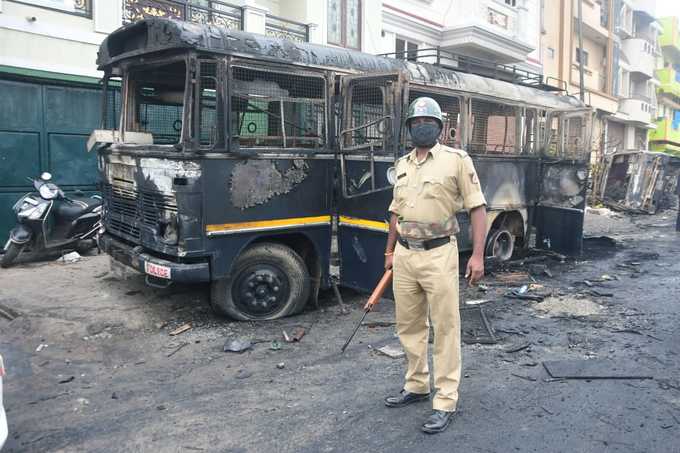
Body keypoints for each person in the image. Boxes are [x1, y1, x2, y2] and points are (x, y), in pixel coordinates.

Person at [383, 97, 487, 434]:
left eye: (428, 122)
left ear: (439, 127)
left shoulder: (457, 161)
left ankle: (445, 399)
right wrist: (389, 254)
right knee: (409, 325)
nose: (421, 127)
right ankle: (416, 385)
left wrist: (478, 255)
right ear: (410, 128)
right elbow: (394, 213)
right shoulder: (402, 164)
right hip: (404, 253)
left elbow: (477, 208)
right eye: (416, 123)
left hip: (440, 253)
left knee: (445, 327)